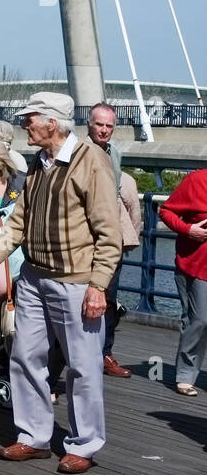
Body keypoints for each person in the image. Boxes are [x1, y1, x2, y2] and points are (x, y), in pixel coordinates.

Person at [0, 92, 121, 475]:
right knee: (25, 357)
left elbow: (109, 233)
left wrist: (98, 286)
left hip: (76, 280)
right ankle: (33, 437)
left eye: (30, 118)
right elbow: (18, 221)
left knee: (83, 365)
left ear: (51, 123)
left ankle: (84, 444)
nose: (25, 124)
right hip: (35, 277)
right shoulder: (38, 164)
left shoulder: (92, 163)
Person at [86, 103, 129, 378]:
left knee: (110, 297)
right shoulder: (79, 152)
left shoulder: (115, 154)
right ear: (89, 124)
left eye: (109, 126)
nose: (104, 130)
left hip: (109, 234)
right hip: (85, 237)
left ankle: (104, 353)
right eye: (99, 124)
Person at [158, 167, 207, 397]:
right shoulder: (196, 180)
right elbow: (166, 211)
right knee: (199, 321)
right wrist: (189, 230)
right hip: (197, 264)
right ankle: (186, 374)